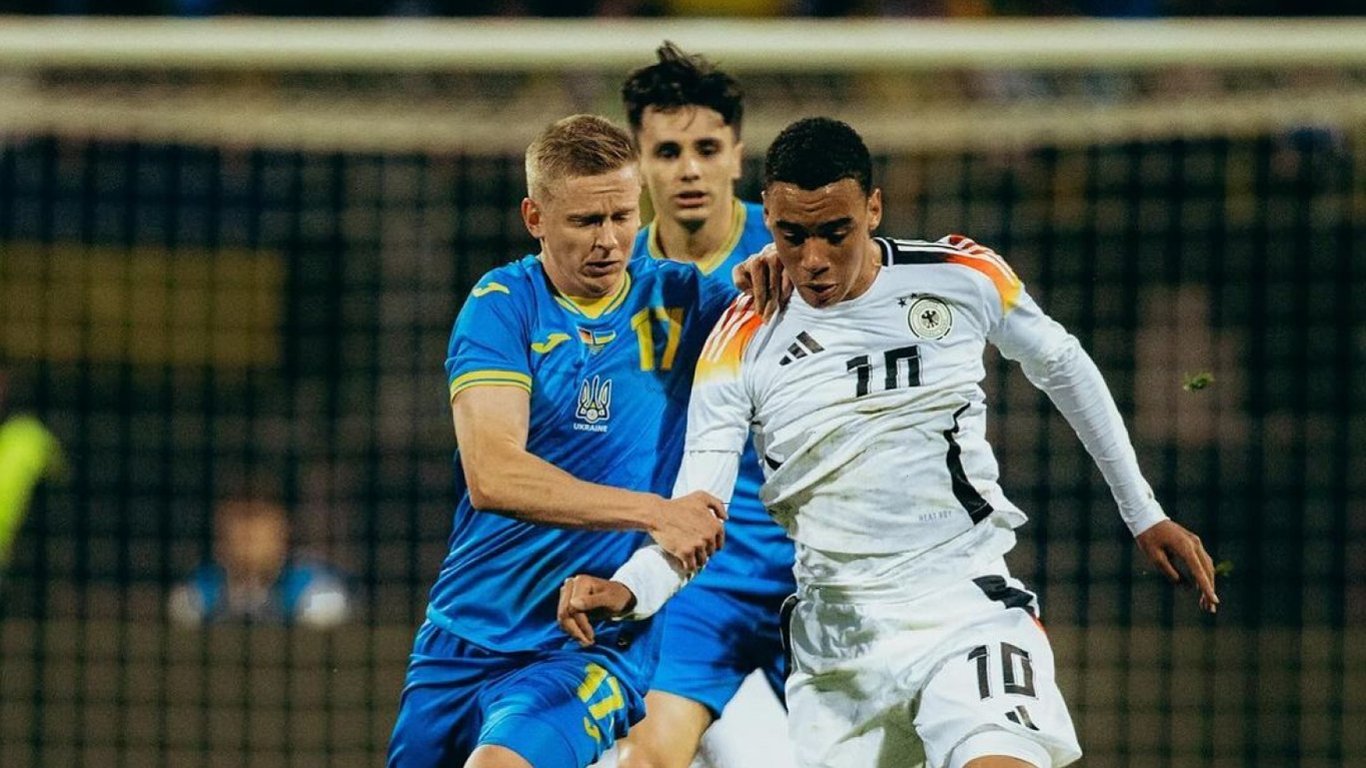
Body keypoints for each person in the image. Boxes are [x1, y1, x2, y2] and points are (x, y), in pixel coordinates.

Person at [558, 117, 1219, 768]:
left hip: (963, 605)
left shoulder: (959, 275)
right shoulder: (741, 339)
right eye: (792, 236)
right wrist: (630, 589)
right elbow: (697, 512)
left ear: (873, 209)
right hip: (838, 647)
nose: (814, 260)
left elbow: (1064, 365)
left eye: (835, 232)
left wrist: (1144, 511)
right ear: (770, 222)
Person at [386, 114, 739, 768]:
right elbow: (493, 475)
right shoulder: (503, 304)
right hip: (464, 631)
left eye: (623, 216)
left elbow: (797, 316)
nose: (609, 240)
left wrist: (781, 270)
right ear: (535, 218)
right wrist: (656, 512)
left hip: (590, 645)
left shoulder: (686, 303)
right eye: (584, 221)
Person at [616, 42, 796, 768]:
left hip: (812, 573)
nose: (688, 168)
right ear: (638, 164)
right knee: (648, 754)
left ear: (737, 157)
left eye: (706, 149)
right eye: (667, 151)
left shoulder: (801, 255)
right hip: (693, 576)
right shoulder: (611, 279)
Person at [167, 492, 352, 628]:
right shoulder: (198, 592)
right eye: (238, 517)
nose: (248, 531)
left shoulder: (315, 591)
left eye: (258, 516)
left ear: (284, 527)